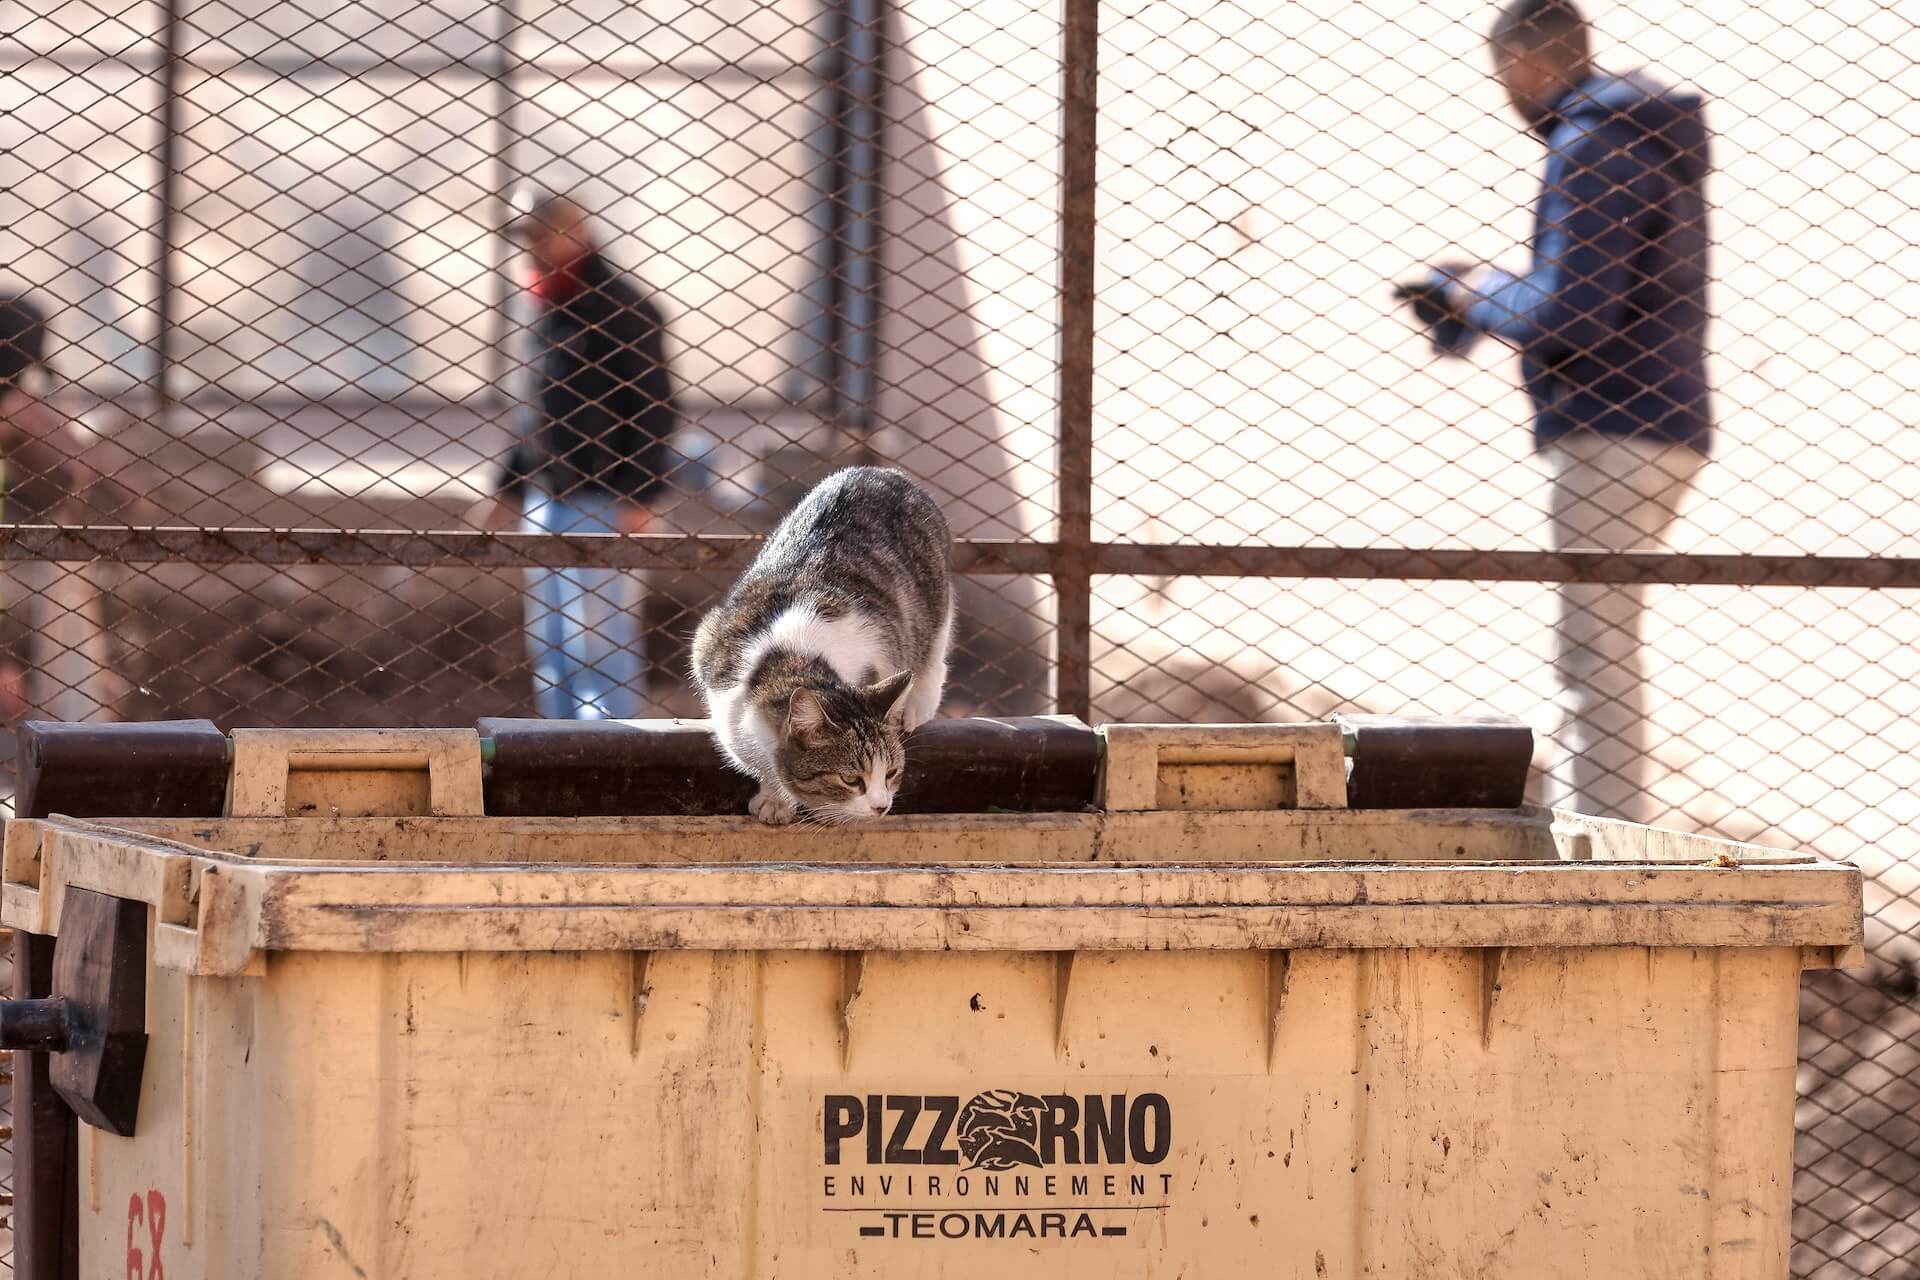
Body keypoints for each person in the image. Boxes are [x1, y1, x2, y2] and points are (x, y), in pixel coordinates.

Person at [1399, 0, 1713, 817]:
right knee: (1603, 646)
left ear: (1526, 62)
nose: (1504, 87)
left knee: (1591, 655)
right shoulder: (1640, 140)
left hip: (1615, 426)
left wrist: (1472, 290)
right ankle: (1608, 833)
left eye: (1502, 69)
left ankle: (1602, 849)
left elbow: (1572, 313)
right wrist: (1486, 297)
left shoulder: (1592, 146)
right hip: (1658, 423)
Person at [481, 193, 679, 720]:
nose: (532, 252)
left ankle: (608, 751)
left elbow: (656, 410)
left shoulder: (624, 310)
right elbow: (538, 413)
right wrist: (510, 488)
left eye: (541, 238)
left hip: (602, 499)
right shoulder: (551, 308)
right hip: (546, 498)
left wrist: (639, 497)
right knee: (550, 643)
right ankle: (557, 746)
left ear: (576, 234)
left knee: (598, 642)